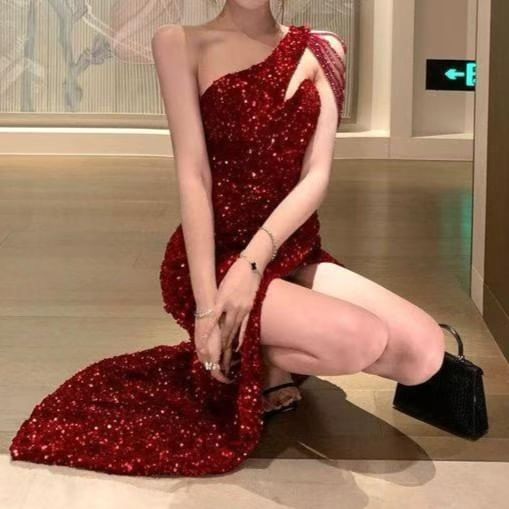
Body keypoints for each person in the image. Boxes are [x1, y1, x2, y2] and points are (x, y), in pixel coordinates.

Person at [9, 0, 445, 477]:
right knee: (360, 341)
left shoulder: (324, 48)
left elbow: (316, 177)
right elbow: (193, 176)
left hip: (288, 251)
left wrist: (254, 263)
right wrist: (206, 308)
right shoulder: (180, 43)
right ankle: (259, 356)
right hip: (215, 258)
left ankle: (256, 347)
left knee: (423, 355)